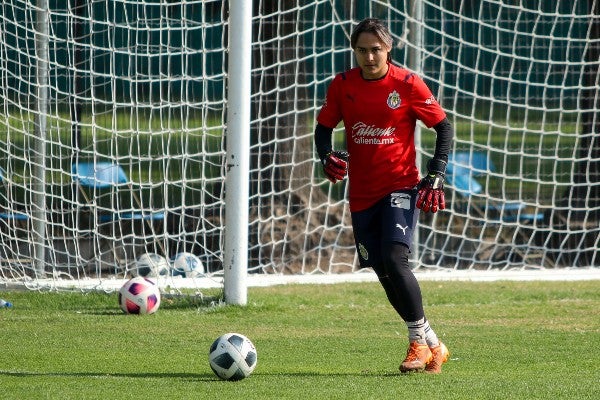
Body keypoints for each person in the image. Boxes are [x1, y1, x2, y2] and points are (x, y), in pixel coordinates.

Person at [314, 18, 453, 374]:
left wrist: (436, 173)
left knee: (395, 259)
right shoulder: (343, 85)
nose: (369, 56)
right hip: (361, 193)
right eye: (362, 49)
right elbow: (323, 127)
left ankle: (416, 344)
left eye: (376, 49)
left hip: (401, 185)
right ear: (354, 51)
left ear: (388, 49)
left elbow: (443, 126)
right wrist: (325, 155)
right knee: (382, 270)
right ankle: (433, 343)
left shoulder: (406, 84)